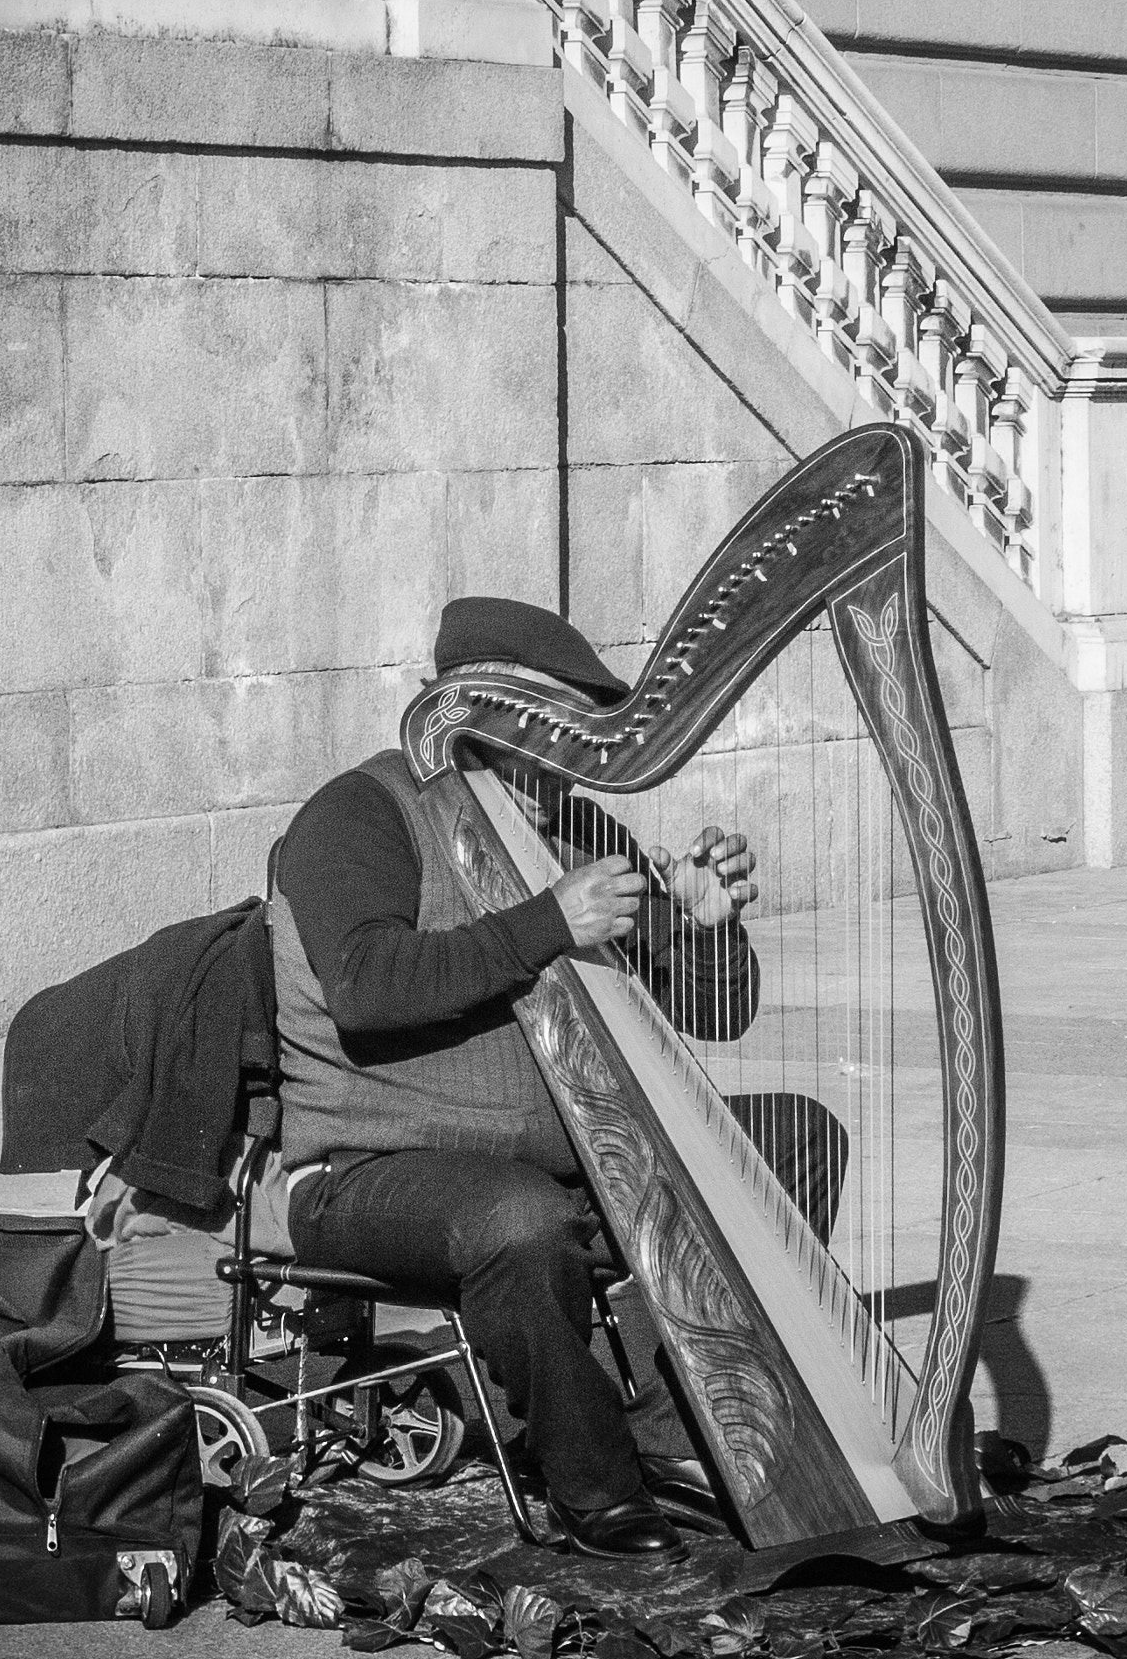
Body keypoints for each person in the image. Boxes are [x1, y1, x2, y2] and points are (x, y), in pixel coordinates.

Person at [269, 596, 843, 1561]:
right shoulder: (360, 813)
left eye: (579, 731)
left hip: (575, 1150)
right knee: (518, 1217)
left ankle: (671, 1430)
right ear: (472, 714)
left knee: (794, 1138)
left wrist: (701, 926)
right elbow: (368, 989)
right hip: (374, 1169)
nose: (565, 752)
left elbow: (716, 1014)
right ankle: (592, 1485)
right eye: (549, 726)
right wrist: (548, 923)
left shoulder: (580, 829)